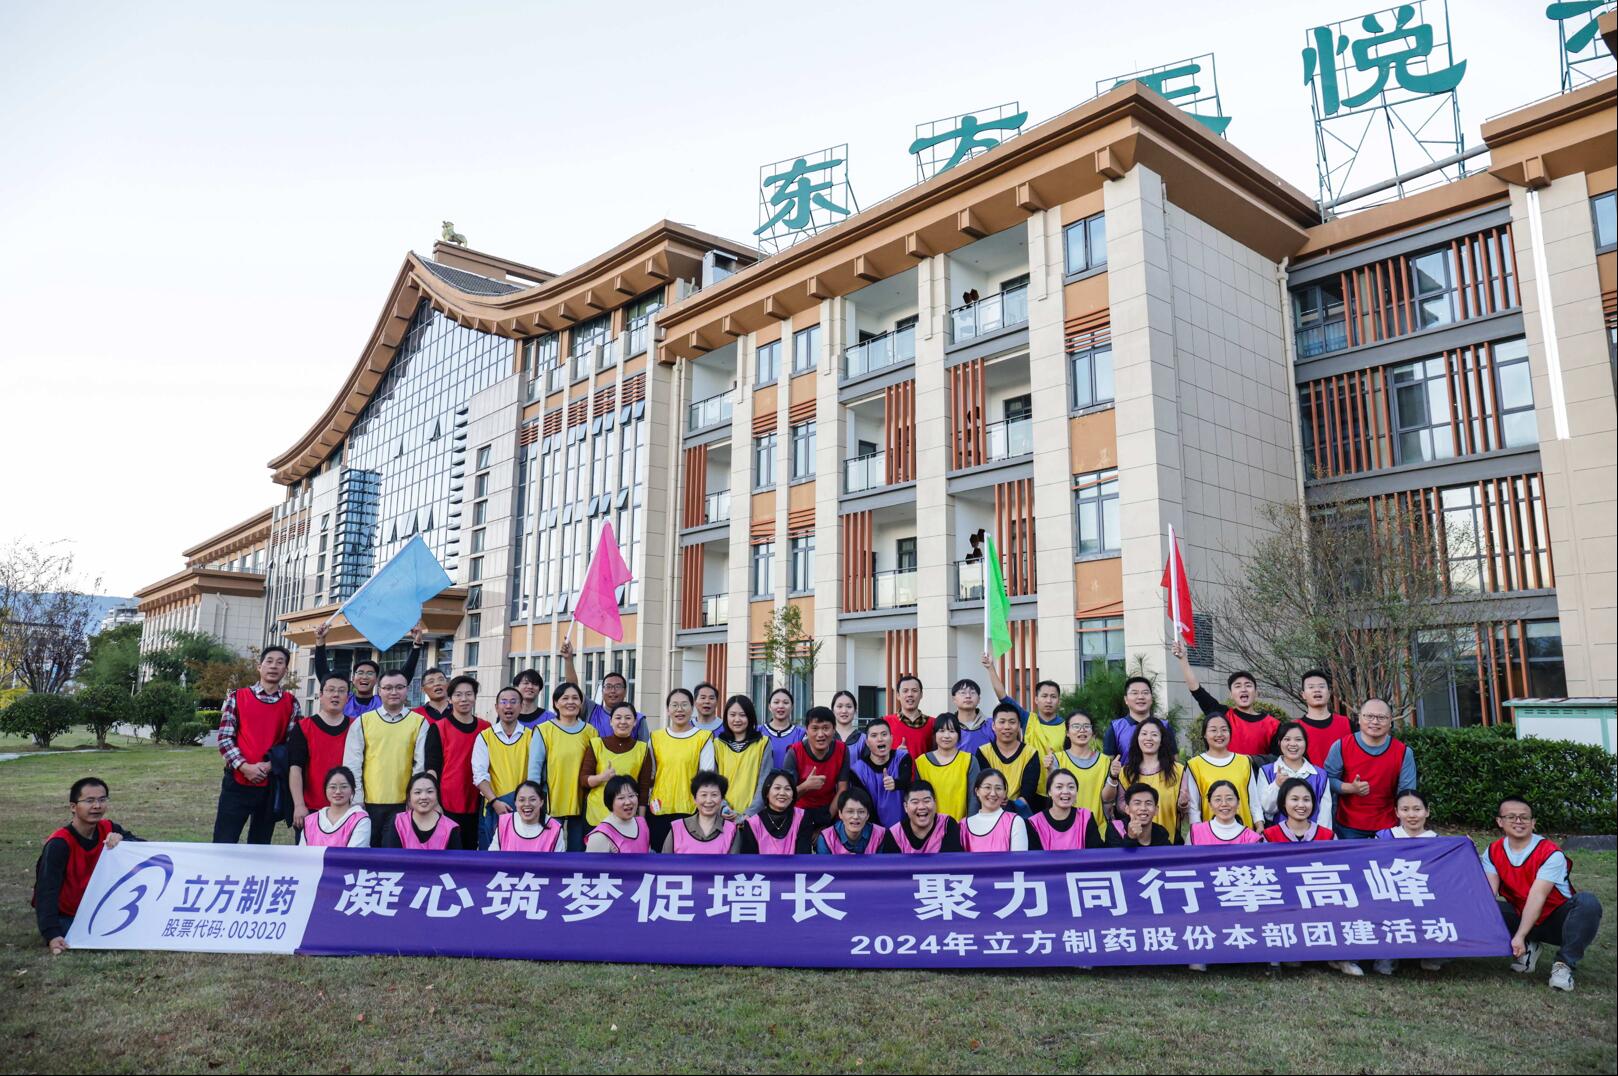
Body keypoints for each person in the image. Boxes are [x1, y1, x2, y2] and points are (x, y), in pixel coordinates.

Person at [1485, 795, 1604, 993]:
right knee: (1486, 908)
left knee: (1588, 902)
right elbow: (1488, 895)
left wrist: (1519, 935)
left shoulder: (1550, 852)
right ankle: (1530, 946)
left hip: (1557, 923)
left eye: (1524, 817)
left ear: (1533, 822)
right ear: (1500, 821)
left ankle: (1563, 966)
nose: (1518, 821)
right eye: (1511, 817)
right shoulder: (1492, 851)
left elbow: (1537, 897)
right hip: (1523, 914)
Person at [35, 778, 142, 953]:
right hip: (70, 916)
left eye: (102, 799)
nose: (97, 806)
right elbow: (46, 891)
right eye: (89, 801)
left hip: (103, 911)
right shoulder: (59, 843)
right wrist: (52, 934)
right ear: (73, 807)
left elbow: (144, 850)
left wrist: (124, 839)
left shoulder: (109, 828)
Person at [213, 644, 301, 844]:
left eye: (280, 662)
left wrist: (270, 766)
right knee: (224, 841)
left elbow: (292, 744)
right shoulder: (237, 697)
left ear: (285, 670)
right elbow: (225, 738)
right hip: (237, 782)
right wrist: (245, 767)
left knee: (261, 843)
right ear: (259, 667)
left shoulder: (291, 703)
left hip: (270, 784)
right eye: (269, 661)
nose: (274, 666)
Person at [343, 669, 431, 846]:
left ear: (407, 690)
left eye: (399, 687)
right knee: (367, 854)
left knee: (397, 854)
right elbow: (352, 764)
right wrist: (357, 799)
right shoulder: (363, 721)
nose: (393, 692)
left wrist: (414, 797)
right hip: (368, 803)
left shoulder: (419, 722)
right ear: (379, 690)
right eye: (388, 688)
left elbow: (420, 766)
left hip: (404, 803)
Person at [1371, 789, 1442, 976]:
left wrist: (1467, 850)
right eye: (1405, 809)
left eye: (1417, 809)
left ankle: (1432, 955)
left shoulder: (1439, 843)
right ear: (1396, 812)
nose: (1411, 815)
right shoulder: (1384, 836)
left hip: (1424, 897)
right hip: (1390, 895)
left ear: (1427, 811)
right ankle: (1387, 956)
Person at [1323, 698, 1415, 839]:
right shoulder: (1341, 746)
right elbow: (1326, 780)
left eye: (1381, 717)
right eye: (1369, 716)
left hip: (1388, 824)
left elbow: (1406, 792)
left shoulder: (1403, 752)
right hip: (1348, 824)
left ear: (1390, 721)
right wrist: (1350, 788)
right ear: (1359, 718)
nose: (1375, 721)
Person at [528, 681, 602, 850]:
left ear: (581, 703)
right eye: (565, 698)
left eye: (575, 698)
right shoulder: (544, 730)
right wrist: (534, 798)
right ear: (556, 703)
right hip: (550, 799)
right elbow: (534, 768)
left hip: (581, 800)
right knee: (550, 847)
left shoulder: (590, 731)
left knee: (577, 850)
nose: (570, 702)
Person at [1173, 639, 1277, 755]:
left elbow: (1277, 759)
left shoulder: (1273, 725)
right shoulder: (1223, 715)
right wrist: (1183, 659)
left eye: (1248, 685)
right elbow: (1197, 691)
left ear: (1256, 693)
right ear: (1231, 695)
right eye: (1238, 686)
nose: (1243, 689)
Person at [421, 675, 487, 850]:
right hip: (447, 801)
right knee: (448, 849)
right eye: (458, 695)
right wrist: (434, 801)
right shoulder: (439, 727)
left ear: (475, 697)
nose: (464, 699)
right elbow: (432, 767)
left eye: (469, 694)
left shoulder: (486, 728)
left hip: (478, 799)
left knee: (473, 850)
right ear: (450, 699)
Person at [980, 652, 1065, 784]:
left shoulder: (1067, 727)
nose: (1048, 700)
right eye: (1044, 696)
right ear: (1036, 699)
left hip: (1057, 786)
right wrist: (990, 668)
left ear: (1059, 701)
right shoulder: (1027, 719)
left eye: (1053, 697)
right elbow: (1002, 696)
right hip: (1030, 786)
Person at [312, 621, 424, 717]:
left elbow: (403, 678)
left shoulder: (383, 702)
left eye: (370, 673)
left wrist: (417, 645)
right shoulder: (344, 699)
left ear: (376, 680)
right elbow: (324, 676)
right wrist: (320, 641)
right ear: (353, 679)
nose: (364, 677)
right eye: (360, 673)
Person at [287, 673, 352, 836]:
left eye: (341, 691)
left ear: (348, 697)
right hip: (312, 808)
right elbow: (295, 769)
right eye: (330, 690)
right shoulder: (303, 727)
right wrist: (299, 805)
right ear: (320, 695)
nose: (336, 695)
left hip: (347, 809)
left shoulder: (356, 726)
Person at [648, 688, 711, 848]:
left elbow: (706, 777)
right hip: (659, 809)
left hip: (691, 809)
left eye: (684, 705)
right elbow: (650, 774)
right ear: (668, 709)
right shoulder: (655, 738)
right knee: (660, 855)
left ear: (692, 708)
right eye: (674, 705)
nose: (679, 709)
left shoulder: (703, 737)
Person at [1112, 716, 1192, 842]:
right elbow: (1121, 805)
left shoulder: (1177, 770)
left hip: (1169, 842)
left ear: (1161, 740)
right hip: (1136, 841)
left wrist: (1183, 804)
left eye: (1154, 734)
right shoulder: (1126, 772)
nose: (1148, 738)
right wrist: (1139, 811)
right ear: (1137, 739)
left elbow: (1185, 809)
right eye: (1144, 734)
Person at [472, 686, 532, 850]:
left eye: (513, 702)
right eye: (504, 702)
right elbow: (479, 775)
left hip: (525, 807)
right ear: (496, 707)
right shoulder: (485, 737)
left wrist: (525, 802)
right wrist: (494, 802)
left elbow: (535, 774)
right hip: (494, 806)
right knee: (492, 855)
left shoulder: (531, 736)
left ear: (521, 706)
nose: (508, 706)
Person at [559, 637, 648, 741]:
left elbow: (644, 748)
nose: (613, 691)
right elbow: (572, 688)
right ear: (602, 691)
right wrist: (568, 659)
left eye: (617, 686)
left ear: (625, 691)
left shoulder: (638, 719)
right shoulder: (591, 711)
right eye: (608, 686)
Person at [1186, 712, 1262, 832]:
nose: (1219, 734)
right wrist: (1198, 832)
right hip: (1210, 835)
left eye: (1224, 730)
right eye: (1213, 730)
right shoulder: (1194, 765)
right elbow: (1193, 807)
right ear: (1204, 734)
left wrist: (1259, 825)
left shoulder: (1244, 761)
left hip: (1244, 832)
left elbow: (1254, 800)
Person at [581, 701, 652, 829]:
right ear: (611, 721)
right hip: (597, 815)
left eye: (628, 718)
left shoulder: (642, 749)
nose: (623, 722)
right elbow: (584, 780)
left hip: (628, 815)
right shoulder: (596, 744)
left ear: (635, 722)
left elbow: (643, 789)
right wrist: (602, 777)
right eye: (618, 718)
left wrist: (641, 821)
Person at [700, 694, 772, 818]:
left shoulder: (763, 743)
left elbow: (764, 782)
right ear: (726, 717)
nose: (737, 719)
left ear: (750, 716)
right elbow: (713, 781)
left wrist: (749, 813)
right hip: (723, 816)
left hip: (754, 817)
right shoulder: (717, 744)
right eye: (732, 715)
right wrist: (723, 807)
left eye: (742, 715)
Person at [781, 705, 848, 831]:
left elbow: (842, 789)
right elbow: (785, 794)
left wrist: (826, 821)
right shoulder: (794, 752)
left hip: (830, 810)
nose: (820, 734)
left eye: (826, 728)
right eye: (815, 728)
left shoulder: (842, 750)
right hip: (799, 812)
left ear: (834, 729)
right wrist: (806, 786)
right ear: (806, 730)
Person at [1257, 720, 1332, 827]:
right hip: (1278, 835)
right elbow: (1267, 809)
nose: (1293, 744)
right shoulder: (1266, 771)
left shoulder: (1320, 775)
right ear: (1279, 742)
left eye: (1298, 739)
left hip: (1313, 835)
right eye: (1287, 739)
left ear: (1306, 743)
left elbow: (1325, 816)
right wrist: (1277, 785)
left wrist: (1321, 836)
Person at [974, 702, 1041, 817]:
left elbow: (1028, 793)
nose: (1007, 727)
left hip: (1020, 814)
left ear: (1019, 725)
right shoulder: (983, 752)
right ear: (993, 726)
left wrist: (1009, 804)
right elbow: (982, 787)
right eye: (1002, 722)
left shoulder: (1030, 753)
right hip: (989, 812)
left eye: (1012, 722)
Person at [843, 717, 912, 828]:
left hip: (904, 828)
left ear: (891, 738)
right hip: (873, 829)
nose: (880, 739)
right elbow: (864, 804)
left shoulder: (902, 757)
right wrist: (880, 831)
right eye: (874, 736)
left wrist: (896, 783)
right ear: (867, 742)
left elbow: (906, 780)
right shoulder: (857, 770)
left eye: (884, 734)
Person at [1049, 710, 1116, 825]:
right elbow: (1054, 795)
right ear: (1067, 732)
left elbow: (1107, 799)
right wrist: (1050, 770)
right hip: (1066, 827)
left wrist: (1114, 776)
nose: (1082, 730)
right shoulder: (1057, 759)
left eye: (1086, 726)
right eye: (1076, 726)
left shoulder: (1104, 761)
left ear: (1092, 732)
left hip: (1097, 827)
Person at [913, 714, 980, 821]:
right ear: (935, 734)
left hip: (960, 826)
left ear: (958, 735)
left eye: (952, 731)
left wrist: (970, 825)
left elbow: (974, 798)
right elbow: (917, 797)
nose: (946, 736)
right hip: (929, 826)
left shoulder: (969, 761)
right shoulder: (921, 762)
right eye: (942, 731)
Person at [732, 770, 814, 854]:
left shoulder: (802, 817)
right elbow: (750, 860)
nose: (782, 793)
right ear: (767, 792)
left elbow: (803, 856)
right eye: (777, 788)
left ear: (793, 794)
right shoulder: (753, 824)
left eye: (787, 789)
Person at [380, 772, 460, 850]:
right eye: (417, 792)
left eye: (430, 791)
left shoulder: (450, 828)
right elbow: (391, 856)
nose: (423, 797)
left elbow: (455, 858)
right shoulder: (398, 822)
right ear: (409, 796)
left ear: (437, 794)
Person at [1102, 675, 1176, 758]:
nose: (1140, 697)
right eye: (1135, 693)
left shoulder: (1164, 726)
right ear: (1126, 699)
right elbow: (1108, 762)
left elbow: (1174, 760)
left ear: (1151, 698)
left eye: (1145, 693)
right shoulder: (1115, 728)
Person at [880, 781, 964, 853]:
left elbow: (951, 862)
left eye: (926, 801)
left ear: (935, 803)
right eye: (915, 802)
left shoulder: (947, 825)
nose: (921, 807)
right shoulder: (895, 834)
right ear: (905, 807)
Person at [1028, 769, 1103, 850]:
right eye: (1059, 787)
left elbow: (1096, 853)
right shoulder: (1035, 823)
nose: (1066, 791)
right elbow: (1034, 856)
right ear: (1049, 792)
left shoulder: (1085, 817)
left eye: (1071, 787)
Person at [664, 771, 735, 853]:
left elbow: (735, 861)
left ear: (722, 799)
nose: (708, 800)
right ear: (695, 799)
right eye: (704, 795)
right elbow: (664, 860)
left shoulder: (731, 830)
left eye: (714, 795)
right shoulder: (677, 828)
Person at [301, 766, 371, 847]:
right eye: (333, 787)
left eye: (344, 787)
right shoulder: (310, 821)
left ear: (352, 790)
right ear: (325, 789)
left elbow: (354, 854)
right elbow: (302, 853)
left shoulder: (360, 819)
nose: (338, 791)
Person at [961, 770, 1031, 852]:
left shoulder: (1015, 821)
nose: (993, 793)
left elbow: (1019, 859)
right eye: (987, 787)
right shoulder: (963, 825)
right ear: (977, 791)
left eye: (998, 788)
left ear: (1004, 793)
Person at [1297, 668, 1354, 766]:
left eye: (1321, 686)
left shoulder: (1347, 724)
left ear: (1329, 692)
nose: (1317, 690)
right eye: (1311, 687)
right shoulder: (1295, 728)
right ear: (1303, 695)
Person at [489, 780, 564, 852]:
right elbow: (493, 856)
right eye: (522, 800)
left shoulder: (555, 828)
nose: (527, 804)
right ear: (515, 803)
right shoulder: (504, 823)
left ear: (541, 802)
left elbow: (559, 860)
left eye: (532, 799)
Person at [584, 775, 650, 853]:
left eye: (631, 796)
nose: (628, 802)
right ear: (610, 801)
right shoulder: (600, 836)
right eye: (621, 798)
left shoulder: (642, 823)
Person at [1262, 777, 1336, 843]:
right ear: (1284, 802)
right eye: (1295, 799)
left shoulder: (1328, 837)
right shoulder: (1269, 836)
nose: (1301, 805)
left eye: (1306, 800)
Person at [1189, 780, 1263, 846]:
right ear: (1210, 805)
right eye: (1218, 799)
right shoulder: (1195, 833)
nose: (1224, 804)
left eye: (1229, 799)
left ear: (1238, 803)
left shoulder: (1252, 838)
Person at [880, 674, 935, 761]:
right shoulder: (884, 722)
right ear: (898, 695)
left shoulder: (933, 723)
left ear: (921, 694)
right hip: (894, 770)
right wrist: (894, 755)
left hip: (924, 770)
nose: (910, 694)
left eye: (914, 690)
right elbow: (876, 755)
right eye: (905, 691)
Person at [814, 787, 883, 855]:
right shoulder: (826, 838)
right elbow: (824, 862)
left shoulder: (880, 835)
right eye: (850, 811)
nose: (856, 816)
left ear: (868, 815)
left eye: (861, 812)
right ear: (840, 814)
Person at [1105, 783, 1173, 847]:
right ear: (1127, 809)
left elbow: (1168, 854)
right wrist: (1130, 838)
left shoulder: (1160, 832)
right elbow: (1115, 855)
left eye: (1148, 803)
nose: (1143, 808)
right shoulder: (1116, 829)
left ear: (1156, 810)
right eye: (1137, 803)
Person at [940, 673, 992, 756]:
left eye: (972, 692)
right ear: (954, 699)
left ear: (979, 699)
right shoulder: (947, 726)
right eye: (963, 693)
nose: (968, 696)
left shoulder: (991, 725)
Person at [759, 687, 804, 770]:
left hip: (792, 778)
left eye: (785, 702)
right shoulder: (758, 731)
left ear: (792, 707)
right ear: (769, 707)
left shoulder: (801, 734)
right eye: (776, 702)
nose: (781, 706)